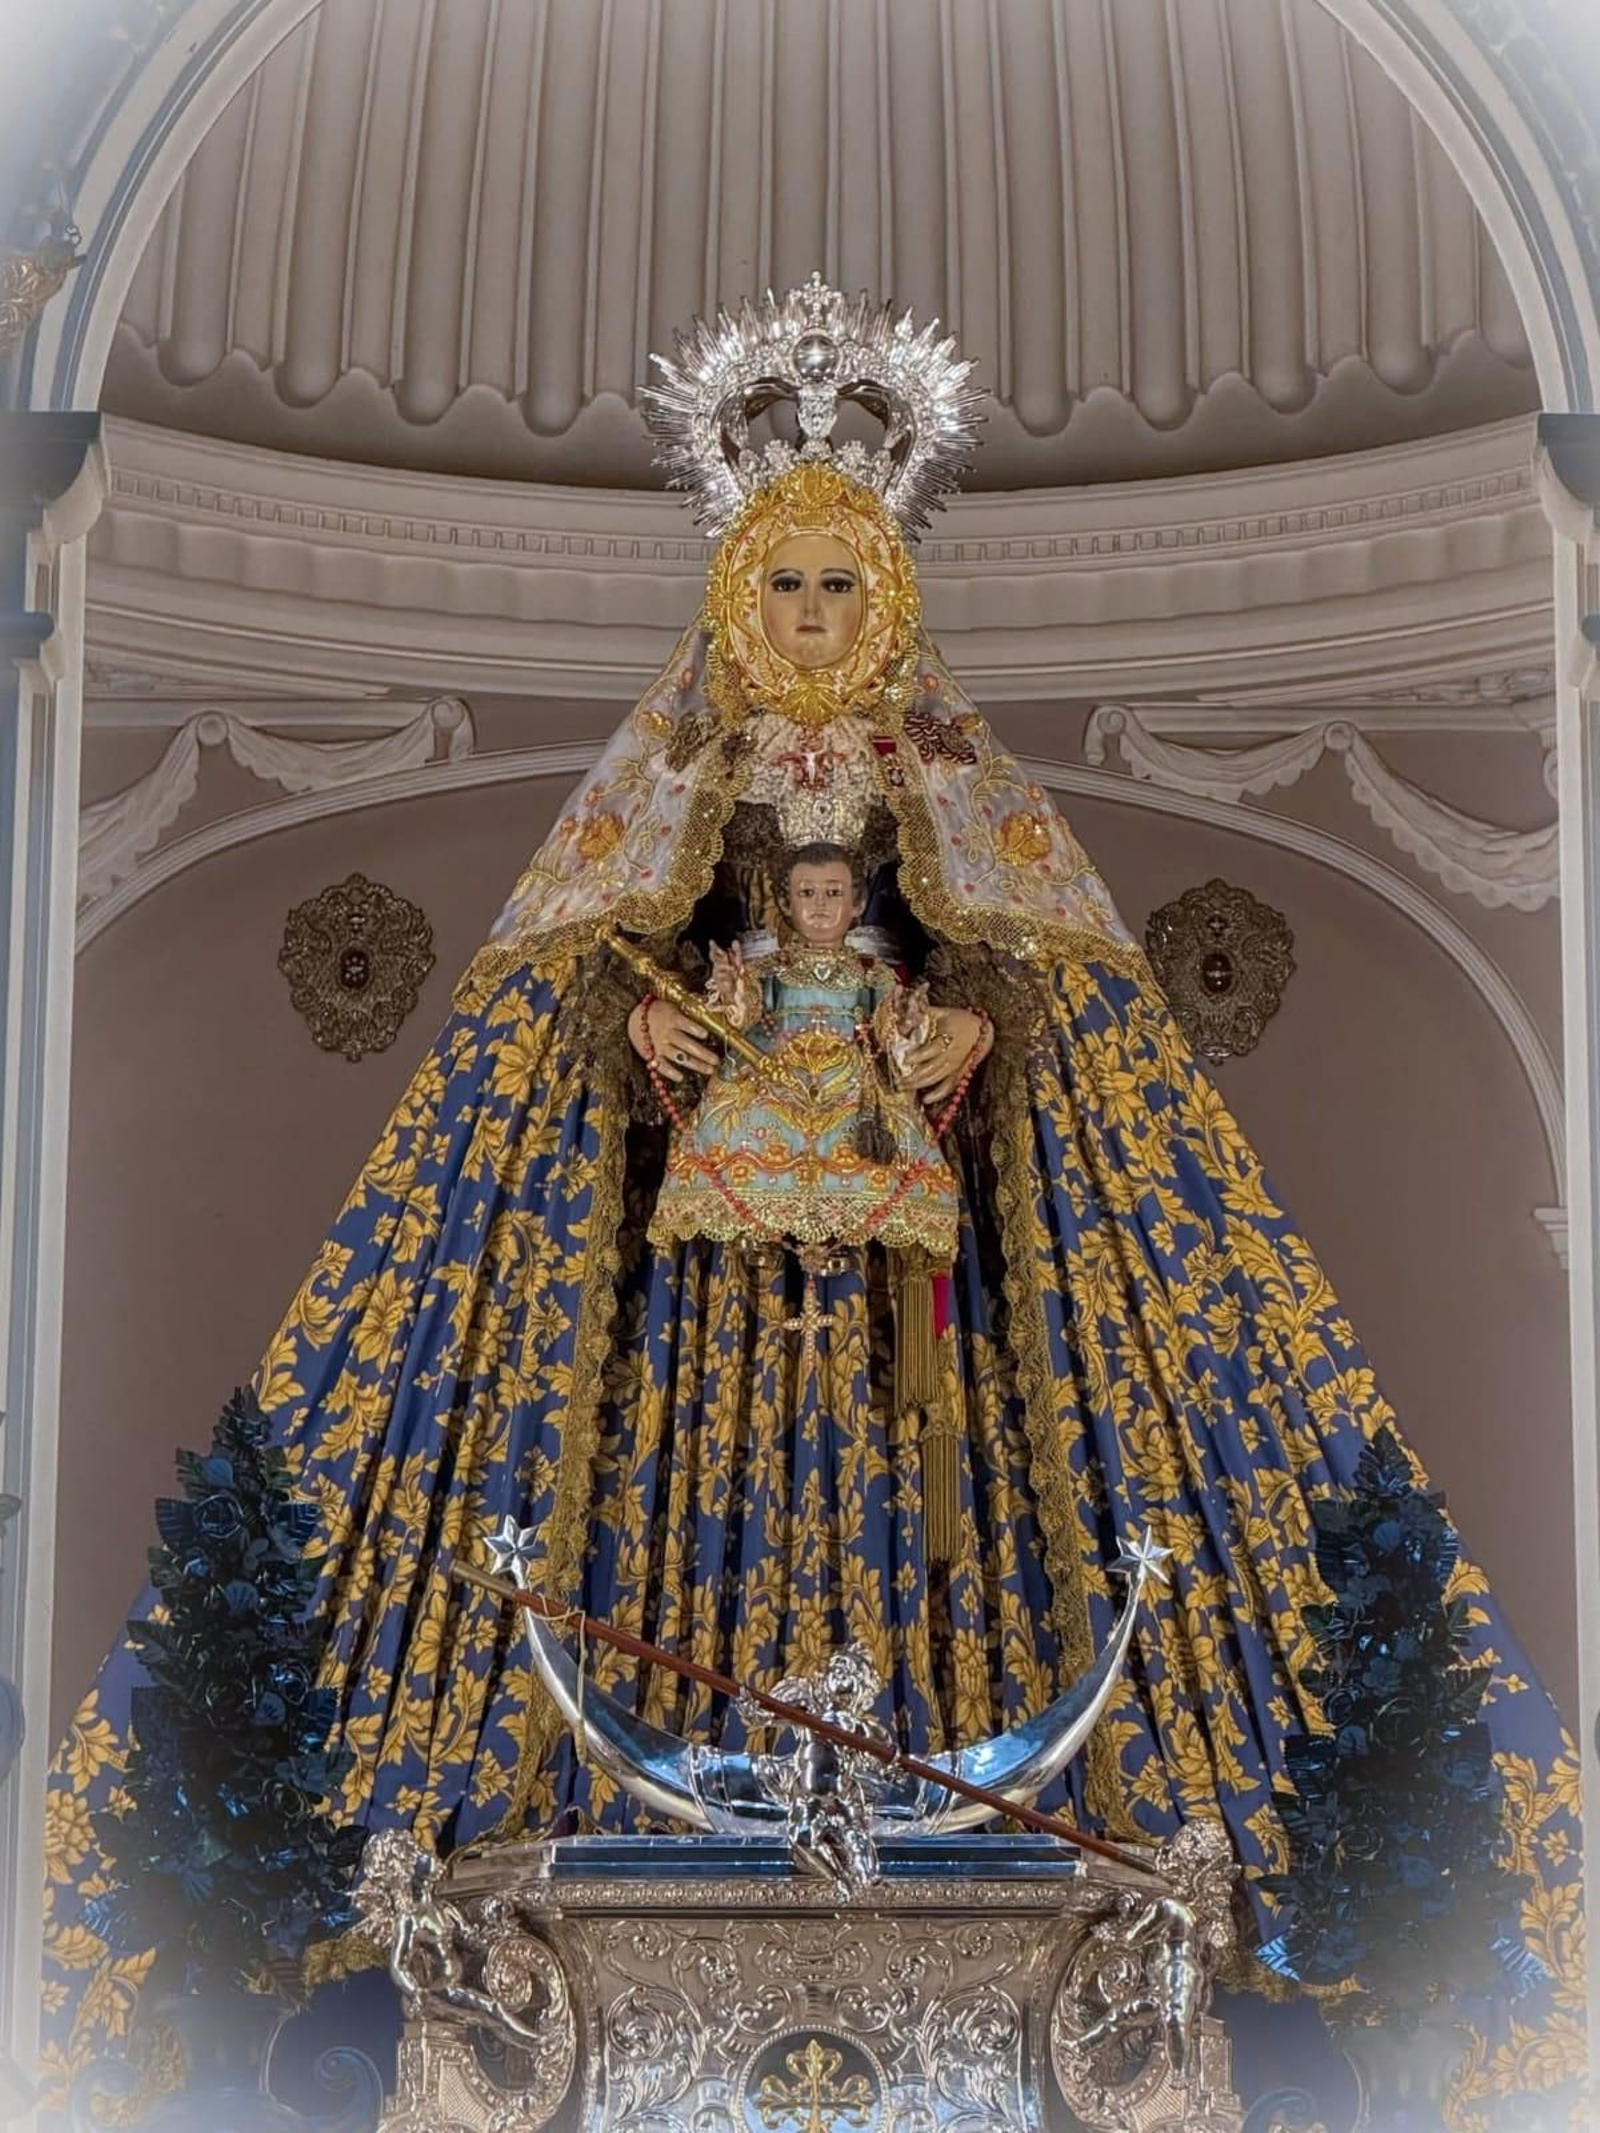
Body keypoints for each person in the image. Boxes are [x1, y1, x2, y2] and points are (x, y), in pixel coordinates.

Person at [43, 281, 1580, 2122]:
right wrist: (637, 1011)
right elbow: (569, 999)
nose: (810, 620)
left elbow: (1050, 1001)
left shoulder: (952, 791)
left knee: (964, 1463)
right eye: (782, 586)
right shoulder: (673, 785)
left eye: (841, 587)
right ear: (730, 595)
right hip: (693, 1285)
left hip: (924, 1269)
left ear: (894, 598)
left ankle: (936, 1752)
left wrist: (976, 1022)